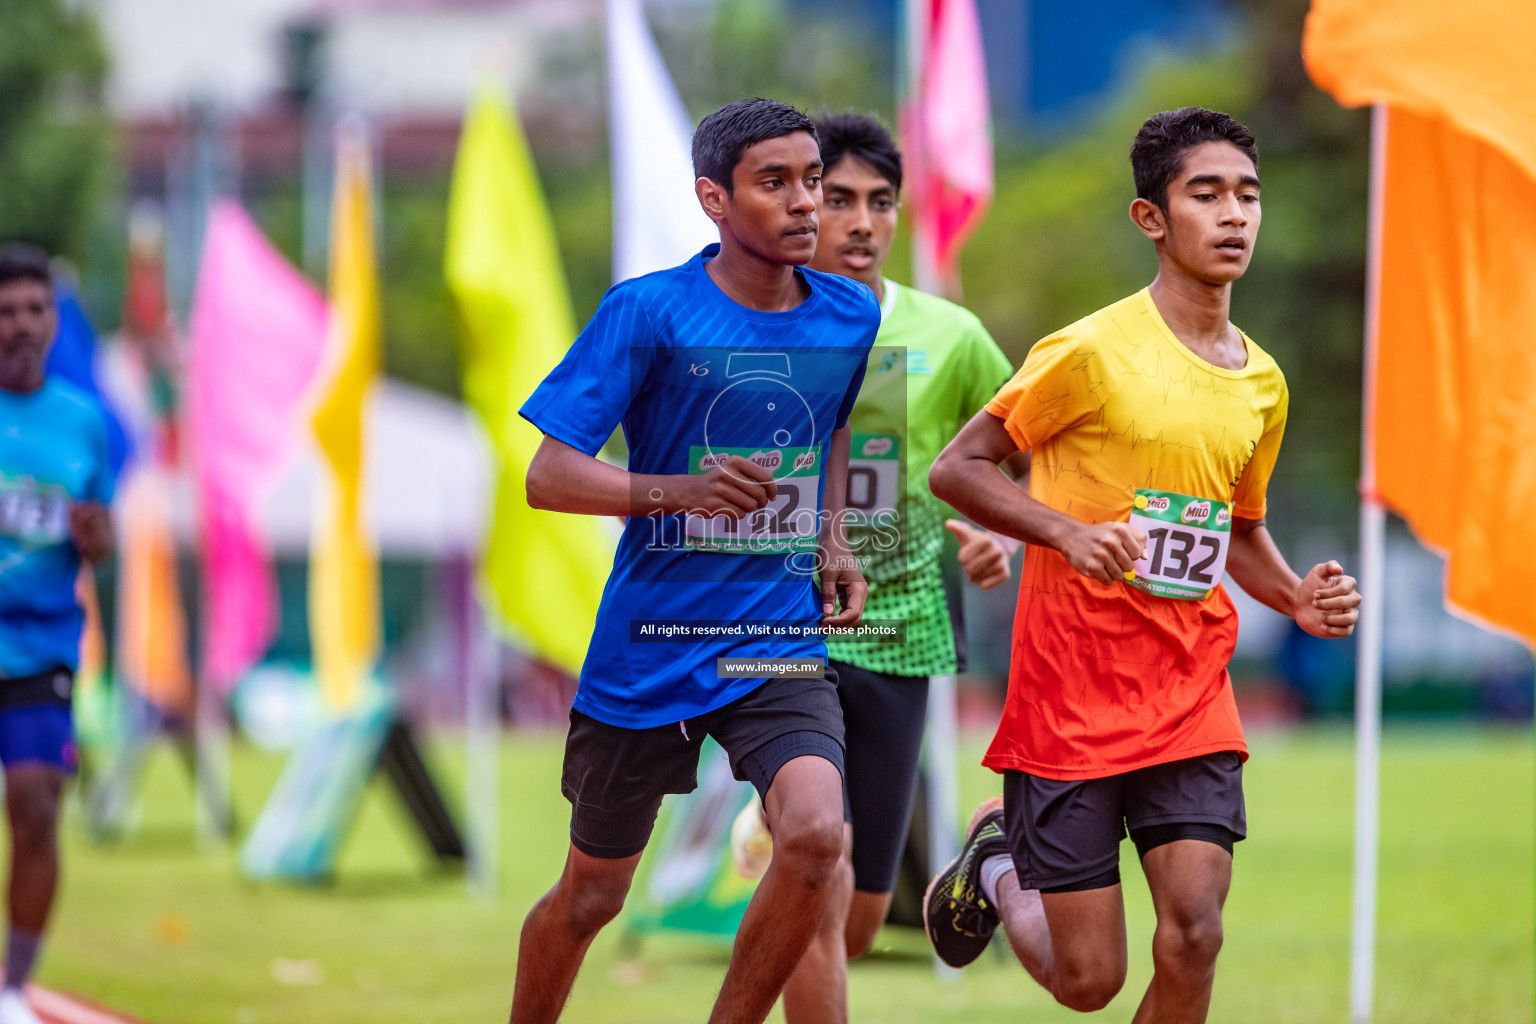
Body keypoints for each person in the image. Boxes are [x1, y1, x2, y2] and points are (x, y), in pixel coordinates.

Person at [921, 108, 1362, 1023]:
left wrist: (1296, 597)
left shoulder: (1262, 381)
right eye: (1207, 195)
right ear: (1151, 219)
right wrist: (1064, 532)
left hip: (1191, 688)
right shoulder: (1086, 353)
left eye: (1247, 195)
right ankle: (998, 863)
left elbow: (1236, 527)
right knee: (1089, 984)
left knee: (1196, 932)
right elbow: (956, 468)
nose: (1234, 215)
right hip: (1071, 692)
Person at [510, 98, 878, 1024]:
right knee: (591, 898)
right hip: (654, 644)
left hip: (772, 639)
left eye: (814, 184)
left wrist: (834, 537)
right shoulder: (648, 312)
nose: (806, 205)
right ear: (714, 198)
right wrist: (680, 491)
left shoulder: (849, 314)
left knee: (815, 837)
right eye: (776, 183)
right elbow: (548, 475)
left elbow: (829, 428)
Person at [730, 112, 1026, 1024]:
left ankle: (774, 841)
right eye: (840, 198)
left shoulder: (949, 333)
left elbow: (1029, 452)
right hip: (779, 624)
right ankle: (787, 827)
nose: (860, 221)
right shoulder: (742, 324)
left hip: (899, 629)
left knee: (854, 922)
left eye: (881, 202)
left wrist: (1001, 535)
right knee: (824, 876)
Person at [0, 245, 114, 1024]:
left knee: (37, 805)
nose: (20, 326)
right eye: (5, 312)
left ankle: (11, 989)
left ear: (54, 319)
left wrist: (95, 535)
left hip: (41, 645)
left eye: (34, 310)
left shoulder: (85, 423)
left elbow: (98, 540)